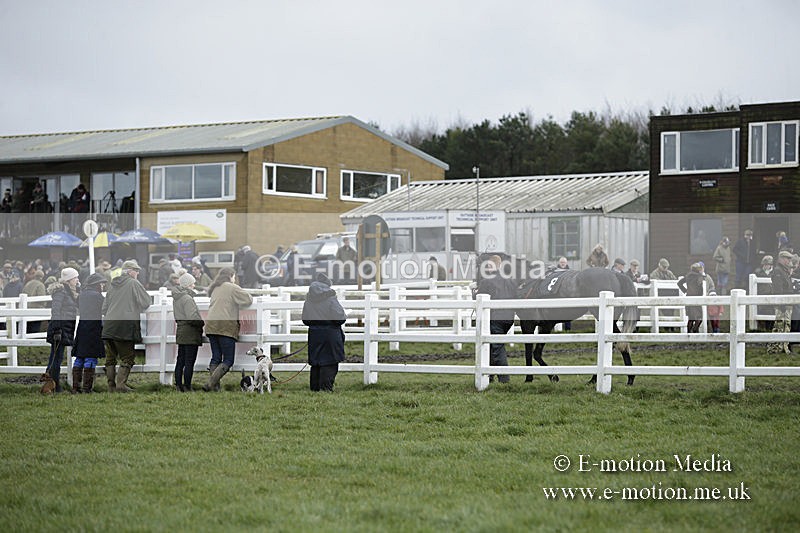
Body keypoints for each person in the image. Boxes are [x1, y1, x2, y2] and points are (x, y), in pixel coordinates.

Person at [101, 260, 151, 392]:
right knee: (127, 358)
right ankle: (121, 385)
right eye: (136, 270)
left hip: (109, 326)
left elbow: (104, 308)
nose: (138, 273)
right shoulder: (133, 283)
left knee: (110, 359)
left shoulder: (112, 285)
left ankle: (111, 387)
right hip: (124, 326)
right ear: (129, 272)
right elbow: (146, 302)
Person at [203, 267, 253, 391]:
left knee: (216, 357)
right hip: (225, 327)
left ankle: (215, 388)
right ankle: (210, 383)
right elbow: (248, 299)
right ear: (231, 276)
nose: (234, 279)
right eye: (234, 277)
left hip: (211, 326)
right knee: (228, 360)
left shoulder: (215, 287)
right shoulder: (232, 287)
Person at [475, 255, 517, 383]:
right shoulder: (509, 280)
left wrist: (474, 292)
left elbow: (478, 297)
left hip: (495, 318)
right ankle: (489, 376)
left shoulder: (487, 281)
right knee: (493, 345)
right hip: (509, 319)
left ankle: (505, 379)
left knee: (497, 347)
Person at [302, 272, 347, 391]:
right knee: (330, 362)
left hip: (315, 335)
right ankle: (326, 389)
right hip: (331, 335)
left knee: (316, 363)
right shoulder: (330, 298)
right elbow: (340, 318)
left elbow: (305, 319)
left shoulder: (309, 299)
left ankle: (315, 389)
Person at [41, 267, 80, 394]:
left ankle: (52, 385)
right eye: (75, 278)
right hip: (60, 328)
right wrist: (57, 329)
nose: (77, 280)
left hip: (64, 328)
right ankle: (55, 386)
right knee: (56, 358)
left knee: (56, 357)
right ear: (69, 279)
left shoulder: (68, 292)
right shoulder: (61, 292)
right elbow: (56, 311)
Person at [71, 273, 106, 393]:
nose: (102, 285)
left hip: (82, 328)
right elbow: (105, 308)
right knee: (90, 358)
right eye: (101, 283)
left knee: (79, 357)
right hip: (94, 328)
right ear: (96, 284)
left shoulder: (81, 295)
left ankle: (76, 387)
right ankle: (87, 388)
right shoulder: (98, 297)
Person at [172, 273, 205, 392]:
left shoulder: (178, 297)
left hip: (181, 331)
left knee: (180, 360)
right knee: (189, 362)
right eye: (193, 283)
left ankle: (178, 385)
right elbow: (192, 317)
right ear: (188, 285)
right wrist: (201, 323)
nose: (194, 285)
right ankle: (187, 386)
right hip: (190, 333)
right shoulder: (187, 298)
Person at [767, 251, 794, 355]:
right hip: (783, 304)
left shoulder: (783, 271)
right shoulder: (778, 271)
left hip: (786, 302)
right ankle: (775, 348)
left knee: (785, 325)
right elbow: (778, 290)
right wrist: (782, 304)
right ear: (781, 259)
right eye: (787, 259)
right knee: (780, 325)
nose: (789, 261)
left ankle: (783, 347)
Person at [677, 263, 706, 333]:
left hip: (689, 298)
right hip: (697, 298)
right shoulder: (699, 276)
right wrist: (701, 294)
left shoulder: (688, 276)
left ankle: (689, 334)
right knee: (699, 318)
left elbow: (679, 283)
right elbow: (700, 286)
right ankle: (695, 330)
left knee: (691, 318)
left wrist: (685, 290)